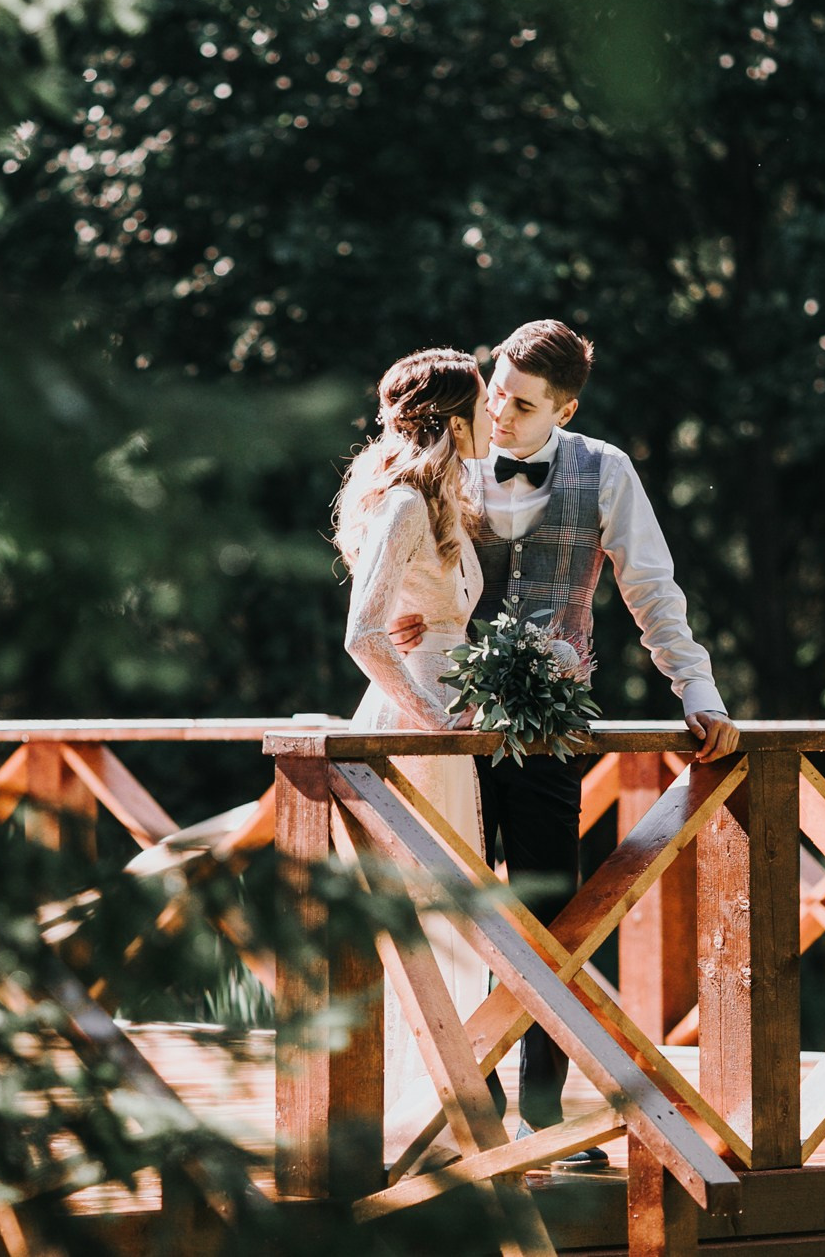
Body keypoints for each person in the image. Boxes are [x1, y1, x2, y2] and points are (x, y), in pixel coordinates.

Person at [390, 319, 740, 1165]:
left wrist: (698, 692)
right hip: (443, 728)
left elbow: (652, 591)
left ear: (567, 407)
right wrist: (406, 617)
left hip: (552, 731)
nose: (496, 415)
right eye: (494, 393)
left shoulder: (605, 471)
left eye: (519, 403)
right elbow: (389, 551)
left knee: (552, 919)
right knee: (446, 912)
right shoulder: (449, 460)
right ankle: (468, 1105)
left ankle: (547, 1124)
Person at [332, 346, 494, 1155]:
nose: (495, 420)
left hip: (447, 724)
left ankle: (454, 1116)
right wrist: (431, 715)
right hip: (416, 729)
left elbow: (417, 618)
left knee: (454, 921)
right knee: (423, 919)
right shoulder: (402, 505)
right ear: (455, 421)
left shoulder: (446, 503)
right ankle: (415, 1120)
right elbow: (364, 634)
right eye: (484, 407)